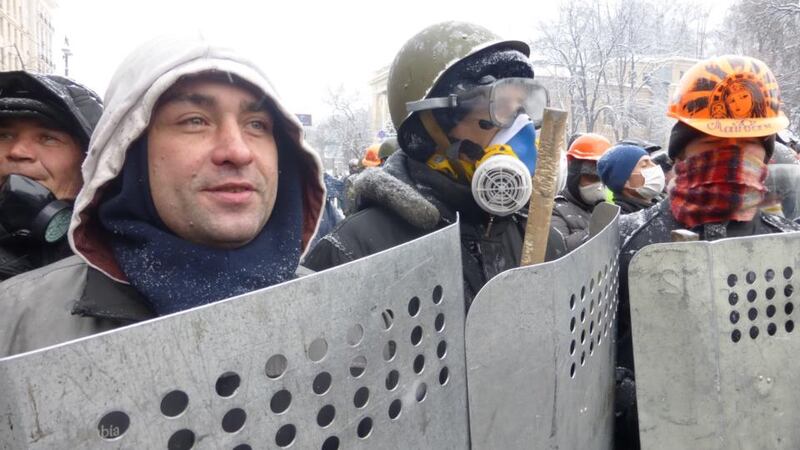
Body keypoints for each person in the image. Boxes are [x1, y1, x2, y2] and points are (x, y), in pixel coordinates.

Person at [0, 33, 325, 358]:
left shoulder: (334, 304)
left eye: (257, 125)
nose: (238, 151)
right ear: (128, 151)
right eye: (195, 121)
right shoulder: (16, 322)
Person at [303, 21, 567, 306]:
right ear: (431, 126)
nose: (520, 127)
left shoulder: (541, 240)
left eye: (522, 108)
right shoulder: (355, 253)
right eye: (500, 107)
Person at [614, 55, 800, 450]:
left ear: (765, 155)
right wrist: (634, 403)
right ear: (681, 153)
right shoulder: (625, 241)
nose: (730, 160)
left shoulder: (787, 248)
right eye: (714, 144)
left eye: (746, 146)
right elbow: (593, 368)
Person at [0, 71, 102, 280]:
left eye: (47, 138)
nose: (18, 151)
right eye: (4, 136)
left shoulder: (120, 257)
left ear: (88, 160)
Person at [551, 133, 611, 250]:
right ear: (575, 176)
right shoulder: (556, 210)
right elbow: (560, 250)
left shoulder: (608, 207)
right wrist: (599, 227)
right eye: (591, 178)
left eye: (603, 179)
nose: (599, 185)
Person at [597, 144, 665, 214]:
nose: (654, 167)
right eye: (644, 166)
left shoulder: (659, 206)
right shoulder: (620, 217)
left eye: (652, 162)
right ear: (626, 182)